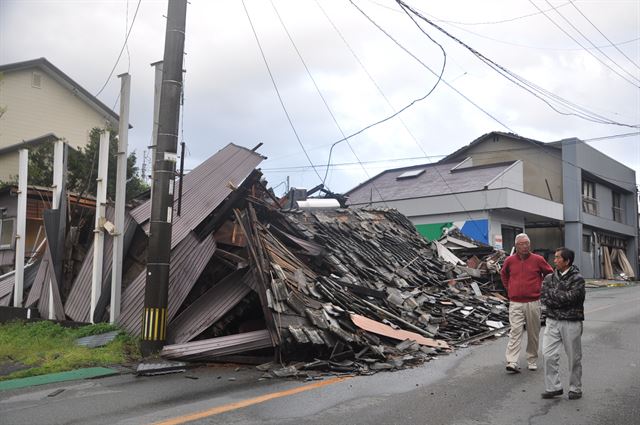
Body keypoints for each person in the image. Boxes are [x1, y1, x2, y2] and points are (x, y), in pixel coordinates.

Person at [501, 233, 553, 373]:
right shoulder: (510, 261)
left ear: (530, 245)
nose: (525, 246)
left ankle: (532, 360)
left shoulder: (538, 259)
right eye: (521, 244)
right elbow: (504, 274)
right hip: (515, 302)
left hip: (533, 302)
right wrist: (509, 288)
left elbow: (549, 274)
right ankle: (512, 361)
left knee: (533, 333)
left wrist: (543, 288)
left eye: (527, 244)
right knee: (515, 332)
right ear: (516, 246)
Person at [540, 247, 585, 400]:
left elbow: (573, 298)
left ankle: (575, 388)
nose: (554, 260)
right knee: (548, 354)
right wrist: (560, 297)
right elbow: (544, 297)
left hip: (571, 322)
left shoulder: (577, 279)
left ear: (567, 261)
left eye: (558, 257)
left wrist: (554, 297)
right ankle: (553, 387)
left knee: (574, 357)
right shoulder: (549, 278)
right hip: (552, 321)